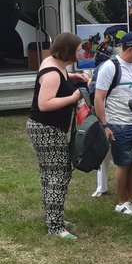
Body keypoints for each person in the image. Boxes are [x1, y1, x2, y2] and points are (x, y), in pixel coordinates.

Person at [26, 33, 88, 239]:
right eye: (78, 49)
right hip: (47, 129)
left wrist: (72, 78)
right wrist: (73, 96)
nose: (81, 52)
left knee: (49, 173)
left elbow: (59, 80)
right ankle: (55, 227)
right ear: (68, 51)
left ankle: (54, 217)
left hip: (47, 128)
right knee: (59, 175)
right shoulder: (53, 72)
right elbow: (45, 104)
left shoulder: (55, 64)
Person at [93, 32, 132, 217]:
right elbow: (99, 98)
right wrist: (105, 125)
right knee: (123, 163)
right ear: (129, 49)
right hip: (117, 124)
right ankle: (122, 203)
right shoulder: (109, 67)